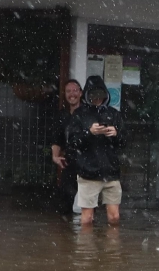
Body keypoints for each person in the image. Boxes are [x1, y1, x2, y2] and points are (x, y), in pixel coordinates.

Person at [67, 75, 124, 227]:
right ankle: (86, 249)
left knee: (114, 218)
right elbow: (72, 142)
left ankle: (112, 250)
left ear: (105, 95)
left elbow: (124, 142)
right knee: (86, 218)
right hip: (88, 173)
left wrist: (116, 134)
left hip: (110, 172)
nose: (97, 99)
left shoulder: (114, 114)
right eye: (93, 95)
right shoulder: (79, 115)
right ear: (86, 95)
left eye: (100, 95)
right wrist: (89, 132)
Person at [49, 77, 84, 215]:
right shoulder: (61, 115)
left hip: (87, 163)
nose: (72, 94)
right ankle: (65, 234)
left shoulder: (87, 113)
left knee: (89, 204)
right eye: (68, 91)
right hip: (69, 162)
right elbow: (57, 139)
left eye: (75, 90)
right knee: (65, 202)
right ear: (65, 94)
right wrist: (55, 157)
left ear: (81, 93)